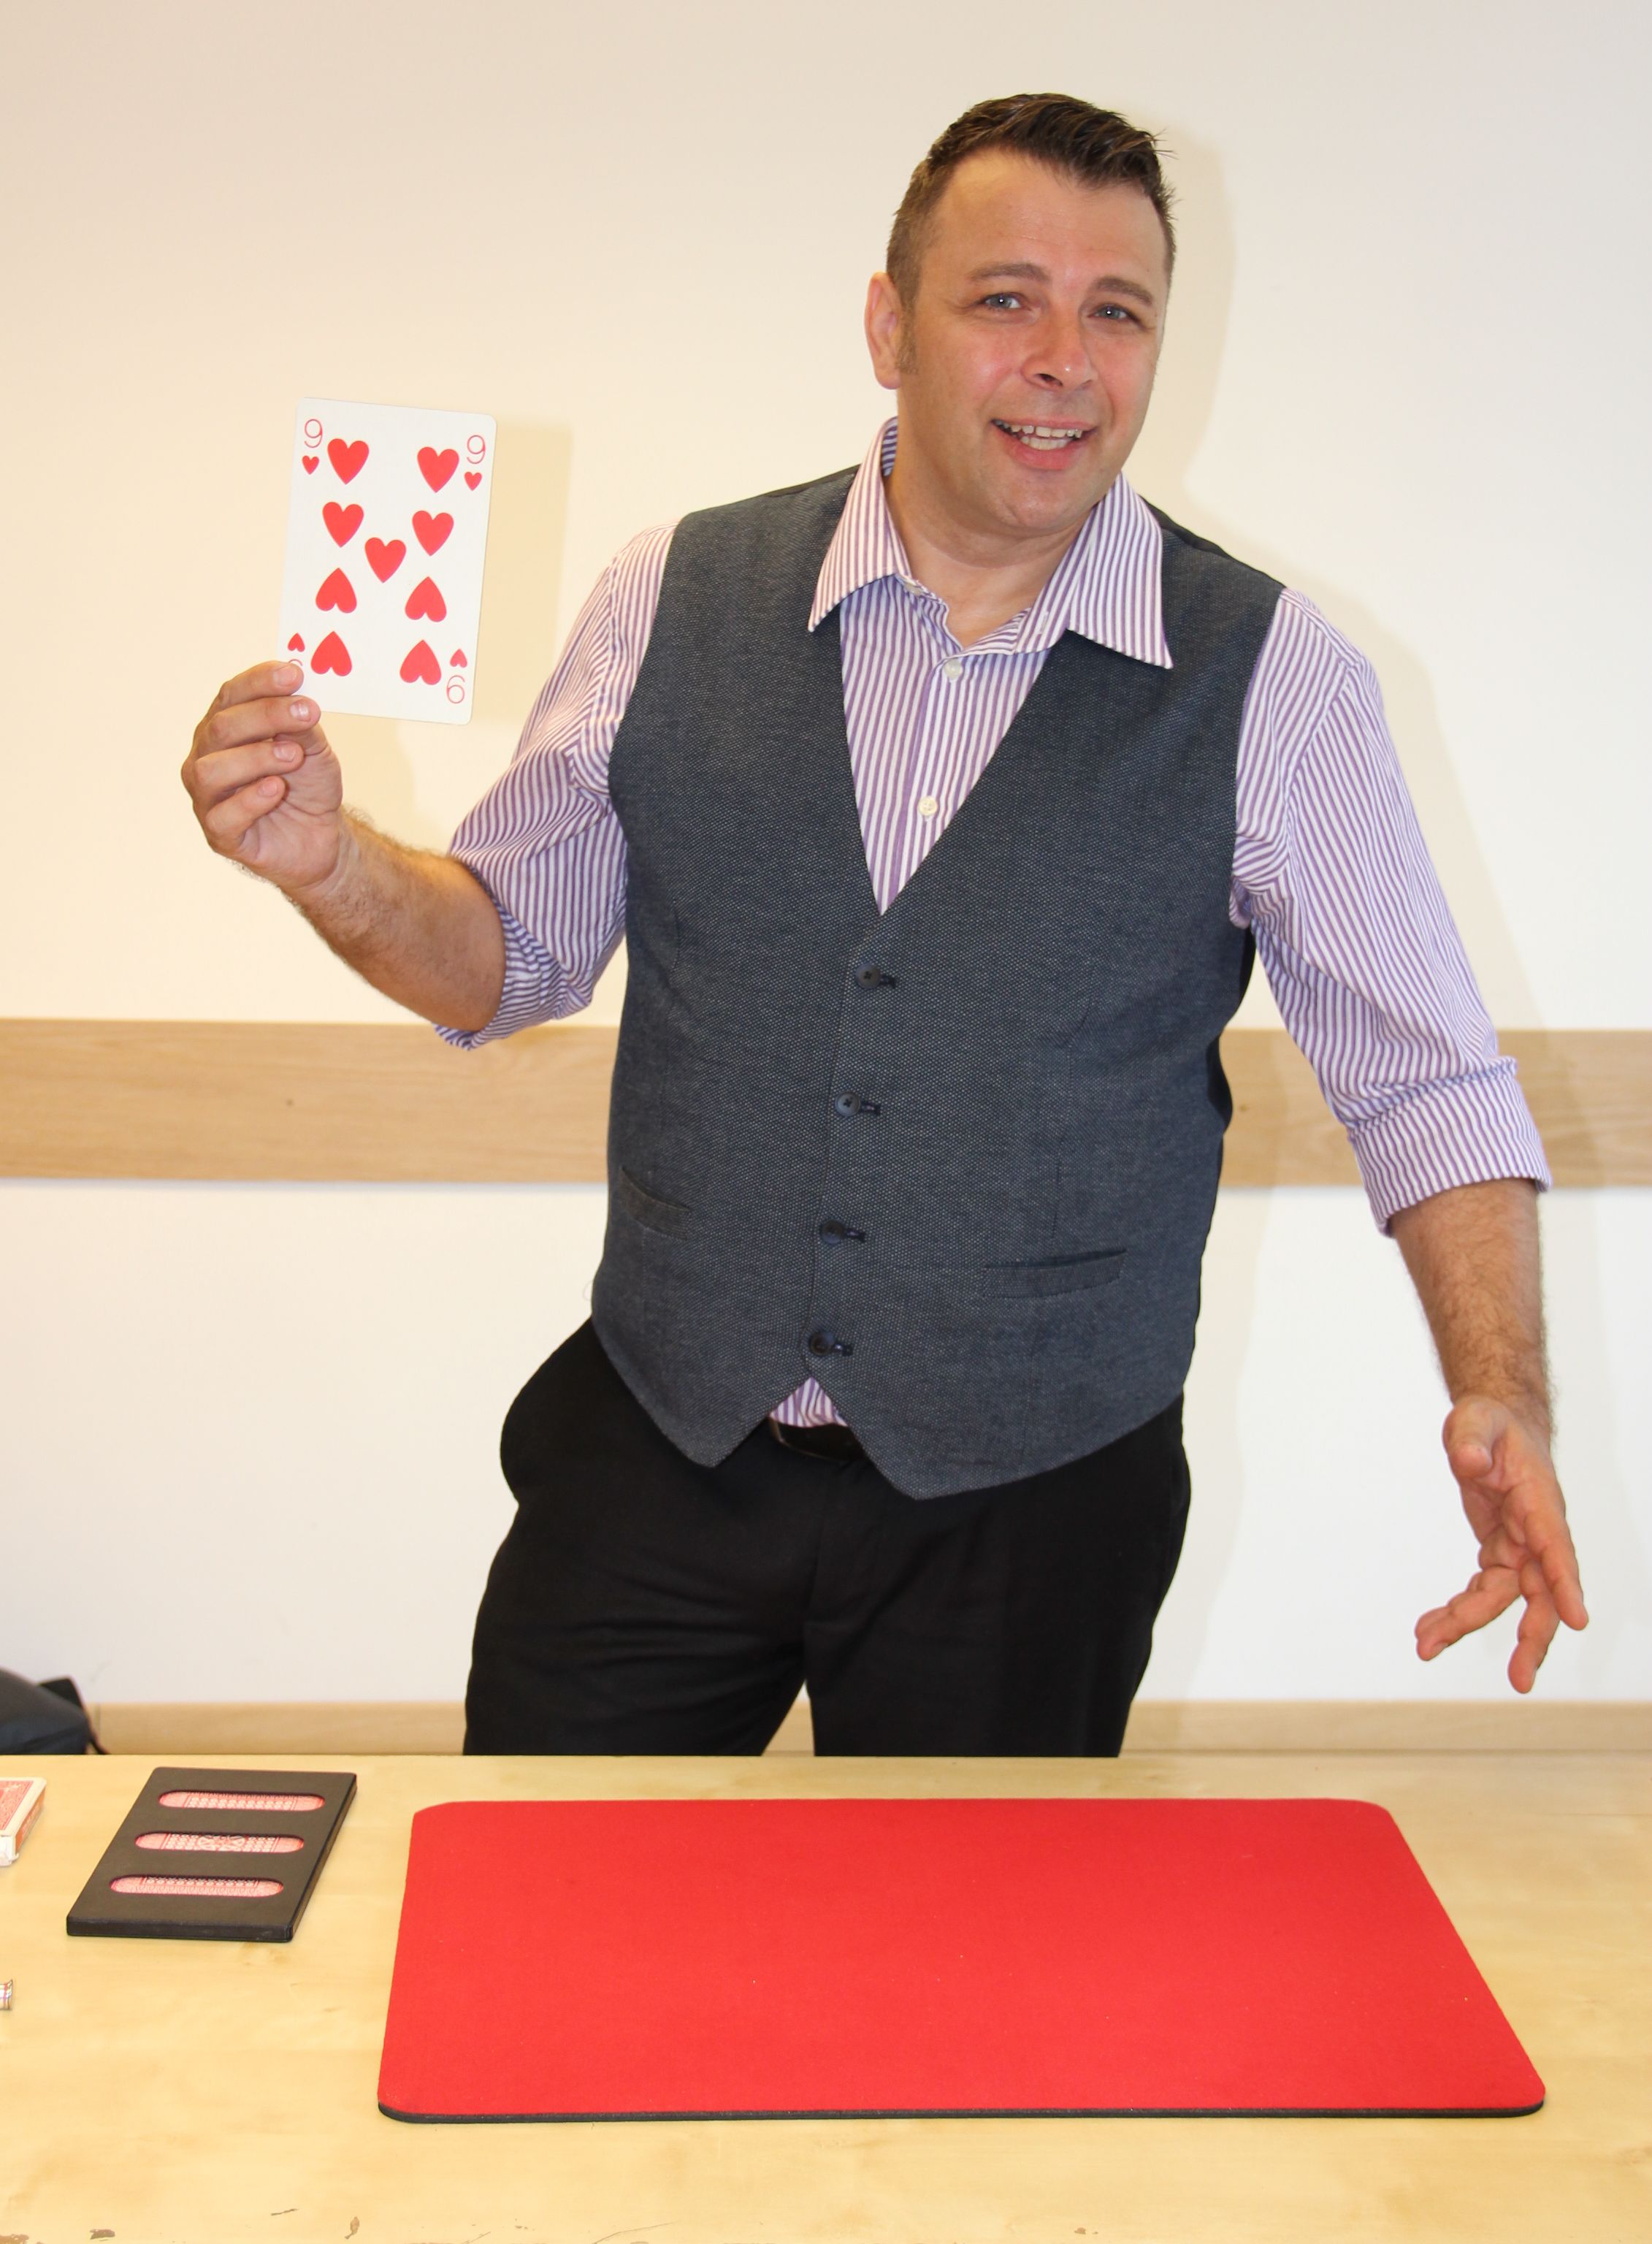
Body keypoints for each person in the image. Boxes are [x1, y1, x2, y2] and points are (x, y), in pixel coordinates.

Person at [181, 93, 1587, 1756]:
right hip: (659, 1451)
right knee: (551, 1897)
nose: (1064, 361)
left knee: (969, 1938)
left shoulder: (1273, 675)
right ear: (886, 327)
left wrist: (1500, 1388)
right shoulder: (670, 594)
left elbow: (1426, 1083)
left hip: (1034, 1507)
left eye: (1116, 312)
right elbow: (505, 956)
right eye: (1005, 299)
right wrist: (331, 866)